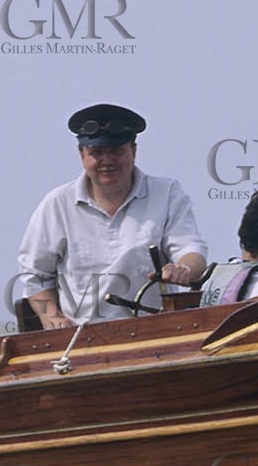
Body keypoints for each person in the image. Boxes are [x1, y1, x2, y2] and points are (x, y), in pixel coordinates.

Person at [16, 103, 207, 329]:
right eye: (97, 153)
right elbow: (35, 275)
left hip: (156, 331)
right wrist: (54, 321)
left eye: (116, 151)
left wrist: (183, 269)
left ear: (133, 152)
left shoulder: (166, 194)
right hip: (81, 336)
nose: (107, 161)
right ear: (82, 155)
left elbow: (192, 252)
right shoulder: (57, 204)